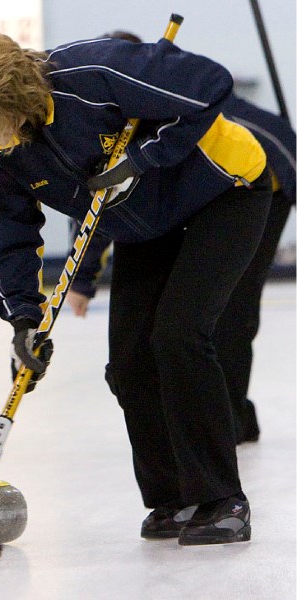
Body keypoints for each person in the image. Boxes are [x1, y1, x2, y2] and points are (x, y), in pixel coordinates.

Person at [0, 30, 273, 546]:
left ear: (2, 99)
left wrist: (144, 159)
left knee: (178, 335)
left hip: (223, 190)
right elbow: (12, 234)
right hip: (147, 225)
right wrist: (23, 321)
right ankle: (174, 497)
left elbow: (209, 86)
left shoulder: (94, 74)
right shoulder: (0, 152)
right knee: (129, 361)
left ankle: (222, 498)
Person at [66, 32, 296, 445]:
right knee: (185, 315)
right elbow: (102, 202)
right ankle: (208, 416)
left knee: (231, 308)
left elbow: (281, 143)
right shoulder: (107, 117)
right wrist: (82, 278)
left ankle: (231, 418)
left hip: (261, 186)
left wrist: (82, 281)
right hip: (206, 193)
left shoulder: (167, 98)